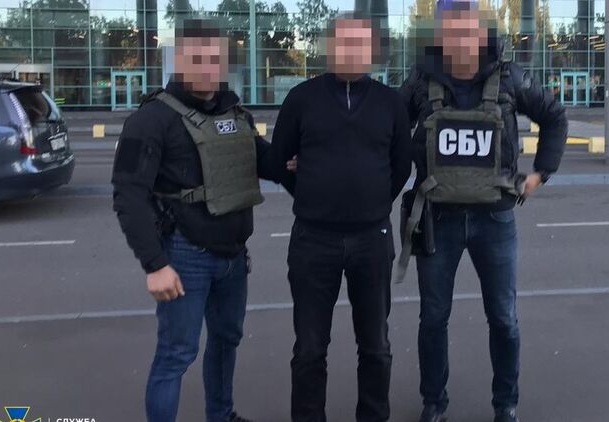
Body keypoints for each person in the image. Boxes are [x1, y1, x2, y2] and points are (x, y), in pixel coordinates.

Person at [111, 19, 292, 422]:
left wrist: (297, 159)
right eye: (198, 58)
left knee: (226, 341)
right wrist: (155, 265)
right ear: (179, 60)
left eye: (216, 59)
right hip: (184, 256)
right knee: (176, 354)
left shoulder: (233, 111)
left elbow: (263, 161)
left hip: (233, 257)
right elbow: (128, 195)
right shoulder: (151, 119)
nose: (209, 68)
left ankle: (221, 415)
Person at [398, 2, 568, 422]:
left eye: (467, 27)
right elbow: (389, 127)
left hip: (494, 219)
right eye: (450, 28)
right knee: (433, 318)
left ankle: (505, 404)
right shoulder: (422, 79)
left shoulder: (508, 76)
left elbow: (553, 116)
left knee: (504, 319)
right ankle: (434, 404)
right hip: (437, 219)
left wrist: (541, 174)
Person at [269, 13, 412, 422]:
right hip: (313, 240)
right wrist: (315, 194)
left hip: (372, 239)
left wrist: (371, 202)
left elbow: (400, 167)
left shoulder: (390, 103)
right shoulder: (302, 99)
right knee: (310, 349)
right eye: (343, 42)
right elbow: (280, 161)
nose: (351, 51)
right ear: (329, 48)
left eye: (359, 43)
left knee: (376, 346)